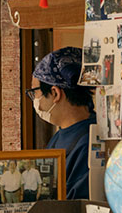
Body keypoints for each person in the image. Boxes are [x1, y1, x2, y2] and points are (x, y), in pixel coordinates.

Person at [28, 47, 95, 199]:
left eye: (35, 92)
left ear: (55, 93)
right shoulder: (61, 135)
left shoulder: (88, 143)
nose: (35, 99)